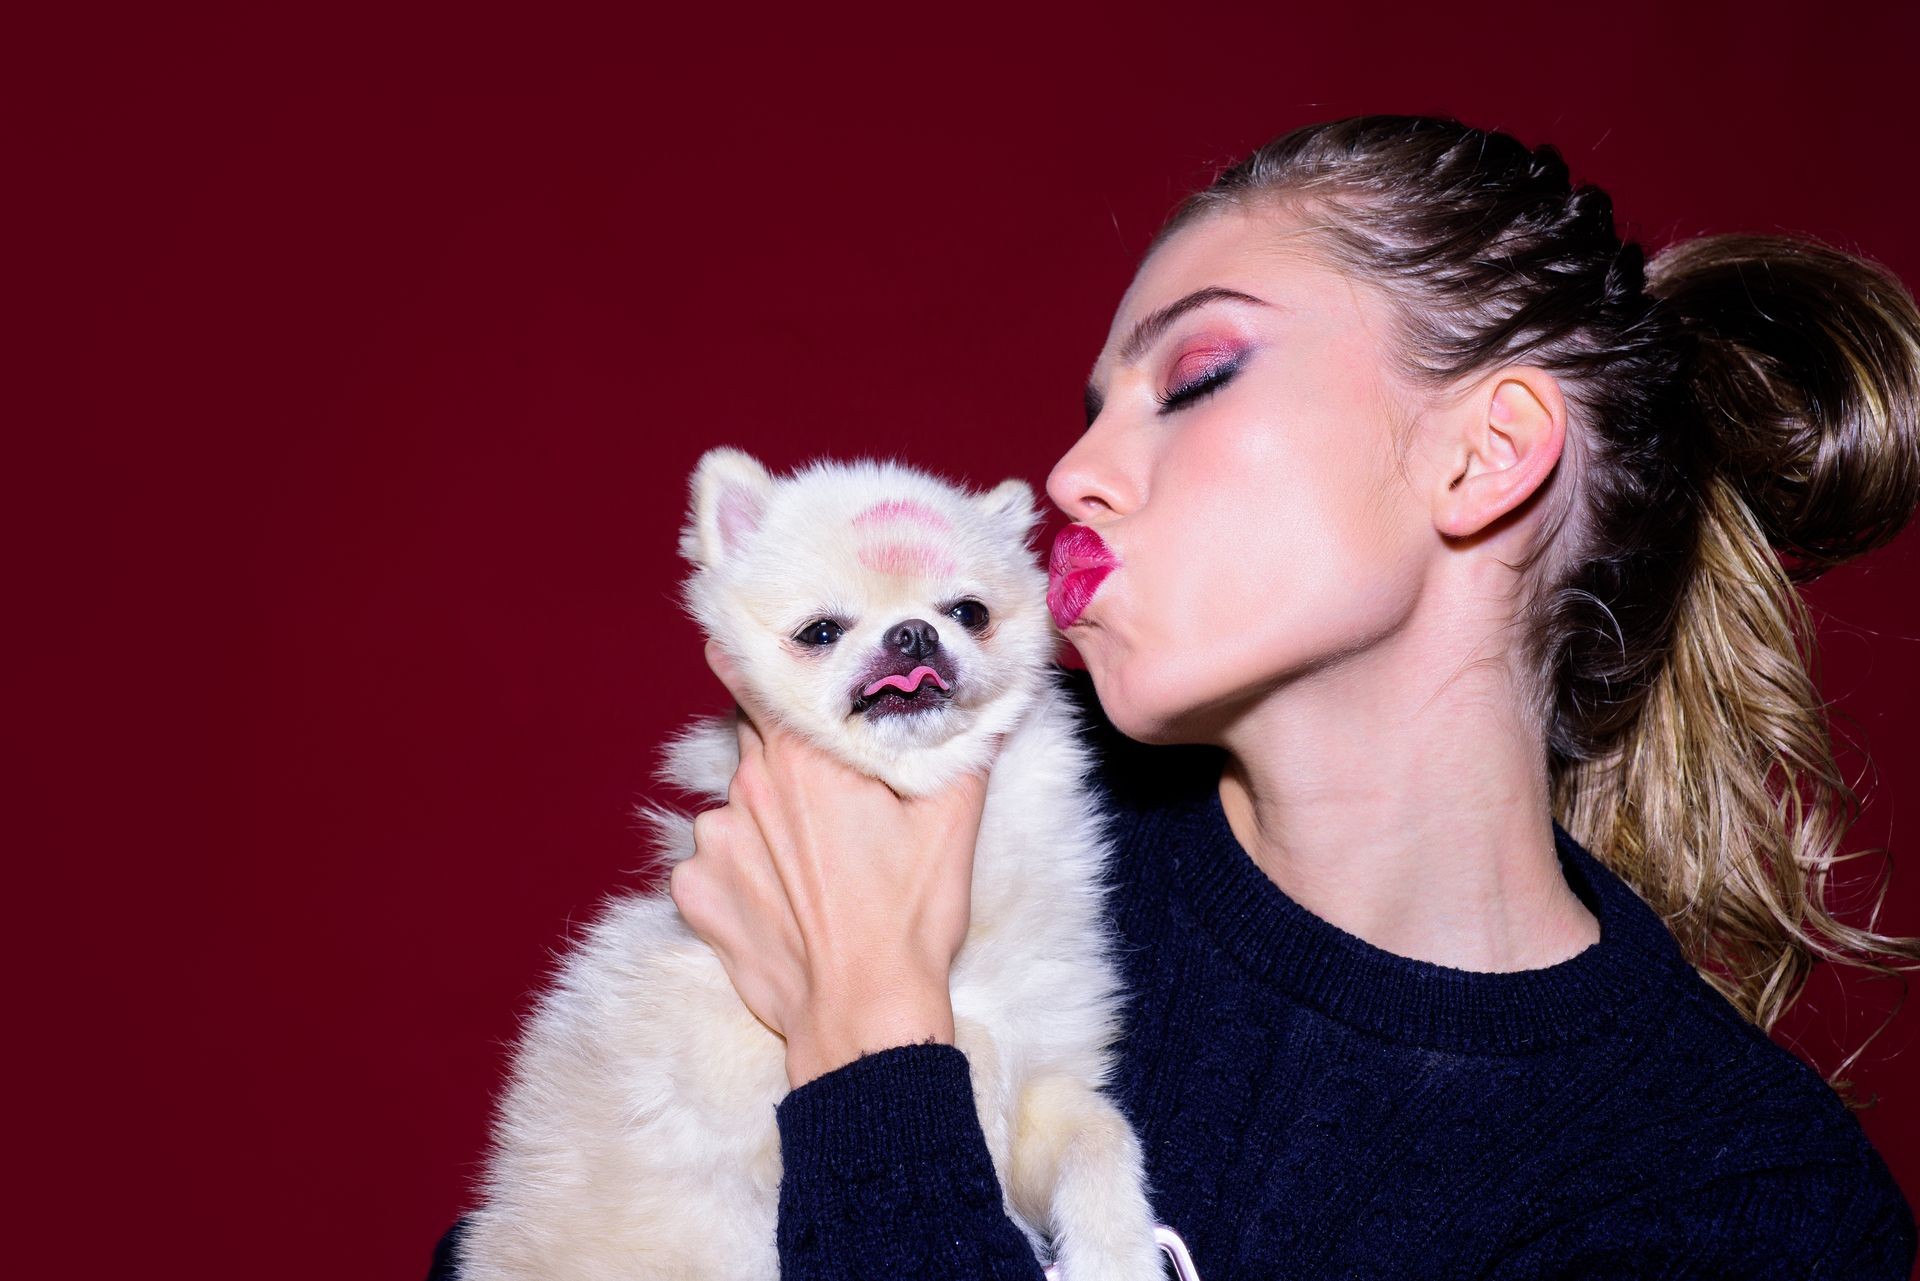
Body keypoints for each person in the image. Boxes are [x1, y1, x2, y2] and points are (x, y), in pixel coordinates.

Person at [429, 114, 1920, 1278]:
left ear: (1483, 455)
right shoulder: (971, 816)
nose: (1072, 475)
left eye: (1193, 376)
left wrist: (876, 1045)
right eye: (1090, 411)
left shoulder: (1735, 1193)